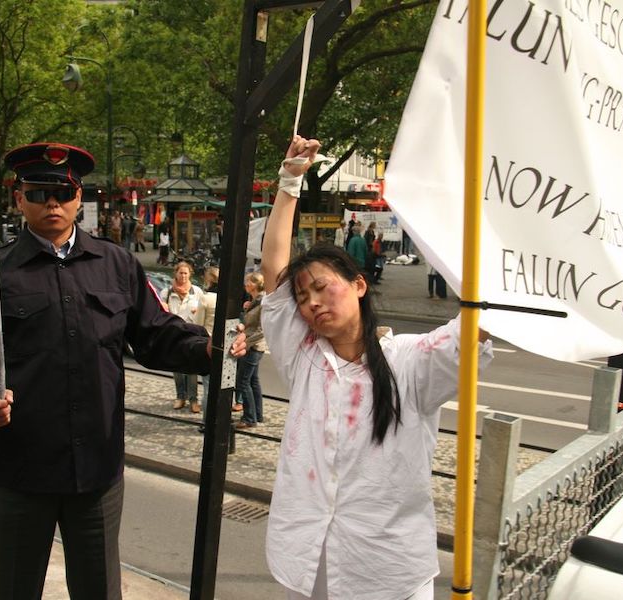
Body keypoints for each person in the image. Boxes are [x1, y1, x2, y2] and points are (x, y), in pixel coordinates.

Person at [0, 142, 245, 600]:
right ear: (19, 197)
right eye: (40, 193)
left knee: (99, 590)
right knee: (9, 590)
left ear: (80, 197)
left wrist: (206, 349)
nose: (53, 203)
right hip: (22, 470)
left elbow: (155, 332)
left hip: (97, 472)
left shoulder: (116, 264)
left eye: (64, 192)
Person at [259, 135, 493, 599]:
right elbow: (274, 268)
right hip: (310, 562)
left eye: (323, 288)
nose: (312, 303)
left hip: (389, 573)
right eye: (303, 297)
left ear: (359, 285)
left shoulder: (410, 361)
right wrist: (289, 182)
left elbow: (480, 321)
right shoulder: (303, 355)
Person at [160, 261, 206, 414]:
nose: (183, 276)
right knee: (177, 367)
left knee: (191, 369)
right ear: (176, 274)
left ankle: (193, 399)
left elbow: (204, 308)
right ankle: (180, 397)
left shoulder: (197, 291)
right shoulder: (166, 292)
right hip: (173, 334)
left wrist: (198, 311)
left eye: (186, 273)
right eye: (181, 273)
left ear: (190, 274)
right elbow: (160, 311)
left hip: (191, 333)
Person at [235, 271, 268, 429]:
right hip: (253, 345)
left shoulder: (262, 302)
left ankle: (249, 418)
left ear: (255, 284)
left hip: (254, 346)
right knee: (253, 381)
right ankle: (258, 415)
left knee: (242, 382)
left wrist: (245, 343)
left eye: (248, 282)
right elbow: (251, 323)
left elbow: (261, 329)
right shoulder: (255, 300)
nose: (245, 284)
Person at [198, 266, 219, 423]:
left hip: (208, 341)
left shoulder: (206, 298)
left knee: (208, 387)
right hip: (225, 342)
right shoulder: (228, 296)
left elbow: (199, 323)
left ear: (209, 279)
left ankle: (207, 422)